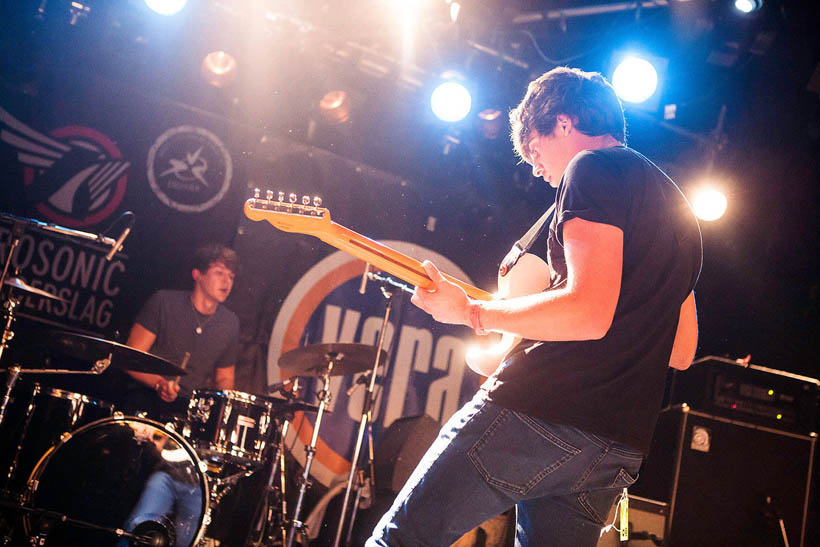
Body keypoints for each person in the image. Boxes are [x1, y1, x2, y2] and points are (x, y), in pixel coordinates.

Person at [367, 66, 702, 546]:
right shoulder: (679, 208)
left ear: (563, 123)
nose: (536, 169)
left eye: (535, 150)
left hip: (542, 408)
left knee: (402, 539)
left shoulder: (592, 167)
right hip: (619, 443)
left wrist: (470, 313)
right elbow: (682, 351)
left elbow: (588, 312)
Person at [123, 242, 240, 418]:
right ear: (197, 275)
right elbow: (130, 357)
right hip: (145, 398)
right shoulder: (164, 302)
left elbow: (224, 377)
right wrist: (160, 383)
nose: (226, 281)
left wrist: (221, 406)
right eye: (219, 273)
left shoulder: (230, 322)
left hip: (187, 411)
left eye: (231, 276)